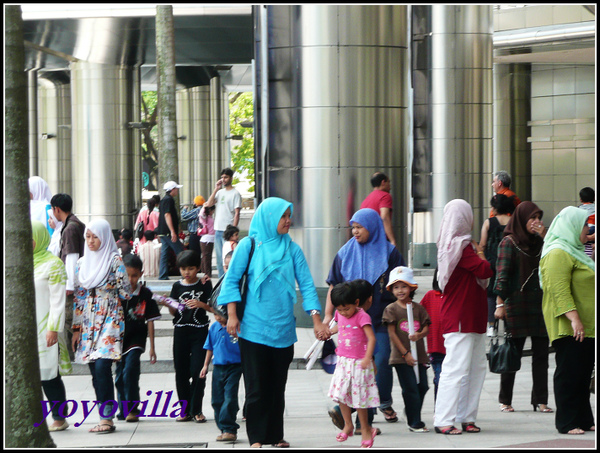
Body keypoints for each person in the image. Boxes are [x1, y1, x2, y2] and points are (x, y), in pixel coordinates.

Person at [219, 197, 328, 448]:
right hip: (253, 329)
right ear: (269, 218)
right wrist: (233, 315)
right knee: (256, 386)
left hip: (283, 329)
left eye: (289, 215)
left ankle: (275, 435)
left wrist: (316, 320)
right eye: (283, 216)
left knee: (277, 386)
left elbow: (308, 285)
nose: (289, 220)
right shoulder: (249, 244)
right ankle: (257, 438)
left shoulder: (292, 249)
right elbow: (232, 280)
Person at [323, 208, 406, 428]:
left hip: (380, 320)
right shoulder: (344, 253)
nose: (355, 232)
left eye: (360, 227)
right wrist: (328, 316)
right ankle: (363, 423)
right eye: (353, 227)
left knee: (378, 364)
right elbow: (334, 285)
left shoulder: (390, 253)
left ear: (373, 227)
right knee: (358, 370)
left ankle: (372, 409)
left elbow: (401, 282)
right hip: (351, 323)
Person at [433, 199, 493, 435]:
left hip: (471, 314)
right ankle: (445, 419)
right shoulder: (461, 247)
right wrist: (480, 252)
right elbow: (485, 270)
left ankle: (467, 417)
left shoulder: (454, 246)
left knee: (475, 367)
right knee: (457, 369)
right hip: (461, 317)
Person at [72, 219, 132, 434]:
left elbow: (126, 292)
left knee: (102, 366)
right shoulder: (81, 263)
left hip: (110, 316)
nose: (90, 241)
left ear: (105, 237)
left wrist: (112, 292)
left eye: (95, 236)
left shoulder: (114, 260)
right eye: (87, 236)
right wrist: (76, 329)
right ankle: (104, 414)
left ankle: (106, 419)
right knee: (94, 370)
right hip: (88, 318)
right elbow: (79, 296)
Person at [539, 206, 595, 435]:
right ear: (571, 226)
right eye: (584, 224)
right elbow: (557, 289)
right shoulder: (557, 252)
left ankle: (583, 417)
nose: (588, 229)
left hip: (586, 324)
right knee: (569, 372)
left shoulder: (576, 250)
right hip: (569, 324)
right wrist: (574, 318)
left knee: (583, 373)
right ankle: (567, 421)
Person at [493, 201, 552, 413]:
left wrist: (546, 236)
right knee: (512, 353)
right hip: (516, 305)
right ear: (521, 219)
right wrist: (500, 304)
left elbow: (554, 258)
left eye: (539, 218)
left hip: (539, 304)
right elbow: (502, 276)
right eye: (532, 218)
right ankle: (505, 399)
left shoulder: (541, 242)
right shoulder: (509, 242)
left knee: (541, 355)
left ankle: (541, 400)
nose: (536, 222)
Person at [327, 282, 379, 448]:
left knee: (359, 398)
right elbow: (339, 326)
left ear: (356, 303)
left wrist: (367, 358)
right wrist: (328, 331)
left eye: (346, 309)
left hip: (359, 362)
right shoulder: (340, 313)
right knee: (340, 393)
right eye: (340, 309)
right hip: (343, 360)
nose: (343, 313)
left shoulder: (362, 316)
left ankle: (365, 429)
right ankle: (347, 424)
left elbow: (371, 338)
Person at [163, 250, 212, 423]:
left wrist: (201, 305)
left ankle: (196, 409)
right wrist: (169, 304)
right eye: (183, 269)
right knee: (181, 372)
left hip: (200, 331)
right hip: (181, 331)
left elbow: (213, 308)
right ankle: (185, 410)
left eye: (191, 268)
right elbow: (173, 311)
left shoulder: (205, 284)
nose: (187, 272)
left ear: (197, 268)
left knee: (198, 370)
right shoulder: (177, 286)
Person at [32, 221, 71, 432]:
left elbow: (58, 301)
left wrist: (53, 328)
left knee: (49, 374)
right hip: (25, 330)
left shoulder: (53, 264)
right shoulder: (18, 261)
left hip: (45, 328)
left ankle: (59, 416)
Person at [382, 266, 431, 433]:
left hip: (420, 356)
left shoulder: (418, 308)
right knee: (410, 387)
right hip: (400, 357)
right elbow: (392, 334)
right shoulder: (391, 309)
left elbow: (426, 328)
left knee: (422, 386)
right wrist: (405, 353)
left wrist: (419, 335)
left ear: (412, 287)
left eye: (404, 286)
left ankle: (411, 411)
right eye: (396, 287)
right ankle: (414, 421)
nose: (400, 290)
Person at [115, 254, 161, 422]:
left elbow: (150, 321)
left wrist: (152, 347)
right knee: (120, 376)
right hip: (118, 339)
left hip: (137, 339)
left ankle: (133, 408)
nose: (130, 279)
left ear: (141, 274)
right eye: (127, 275)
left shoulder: (146, 294)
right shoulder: (116, 293)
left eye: (134, 275)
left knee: (130, 372)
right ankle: (123, 409)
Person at [50, 193, 86, 360]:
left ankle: (72, 355)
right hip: (76, 282)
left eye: (52, 209)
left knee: (69, 321)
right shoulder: (73, 224)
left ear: (57, 209)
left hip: (73, 284)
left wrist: (69, 286)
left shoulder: (70, 228)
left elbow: (71, 257)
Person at [200, 312, 243, 443]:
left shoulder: (237, 327)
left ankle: (230, 429)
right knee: (217, 400)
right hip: (218, 367)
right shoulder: (214, 328)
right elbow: (209, 348)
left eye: (220, 315)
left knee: (230, 397)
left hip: (234, 366)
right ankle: (223, 429)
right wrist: (205, 365)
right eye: (215, 314)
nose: (218, 317)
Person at [479, 194, 516, 336]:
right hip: (510, 261)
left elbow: (482, 244)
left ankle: (491, 326)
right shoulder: (513, 221)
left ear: (495, 208)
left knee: (491, 294)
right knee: (507, 292)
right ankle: (508, 327)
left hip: (492, 262)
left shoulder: (489, 222)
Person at [205, 168, 242, 277]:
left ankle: (229, 279)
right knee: (219, 259)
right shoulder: (220, 192)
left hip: (228, 230)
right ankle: (222, 281)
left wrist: (233, 231)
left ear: (231, 178)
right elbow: (209, 204)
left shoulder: (235, 194)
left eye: (226, 177)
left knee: (228, 257)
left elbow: (237, 213)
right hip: (218, 229)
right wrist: (216, 189)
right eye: (222, 177)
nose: (223, 179)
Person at [418, 268, 445, 404]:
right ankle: (440, 410)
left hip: (455, 347)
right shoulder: (430, 296)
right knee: (440, 378)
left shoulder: (456, 297)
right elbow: (419, 314)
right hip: (437, 347)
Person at [157, 181, 185, 280]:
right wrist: (173, 231)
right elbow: (167, 215)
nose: (177, 190)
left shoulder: (164, 200)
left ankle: (163, 274)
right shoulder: (169, 200)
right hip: (168, 231)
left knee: (164, 254)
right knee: (180, 252)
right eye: (176, 188)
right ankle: (185, 273)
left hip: (162, 231)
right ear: (172, 189)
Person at [360, 172, 396, 246]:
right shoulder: (385, 196)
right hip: (380, 240)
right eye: (389, 182)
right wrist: (392, 240)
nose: (390, 186)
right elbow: (384, 217)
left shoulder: (366, 200)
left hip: (367, 241)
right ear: (383, 182)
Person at [199, 204, 216, 277]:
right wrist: (204, 206)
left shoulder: (209, 217)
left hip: (210, 239)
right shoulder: (205, 218)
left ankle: (205, 272)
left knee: (206, 257)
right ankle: (207, 273)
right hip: (207, 239)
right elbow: (201, 214)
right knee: (206, 257)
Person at [578, 187, 595, 258]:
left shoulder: (577, 210)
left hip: (582, 243)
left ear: (581, 200)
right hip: (593, 232)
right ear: (594, 198)